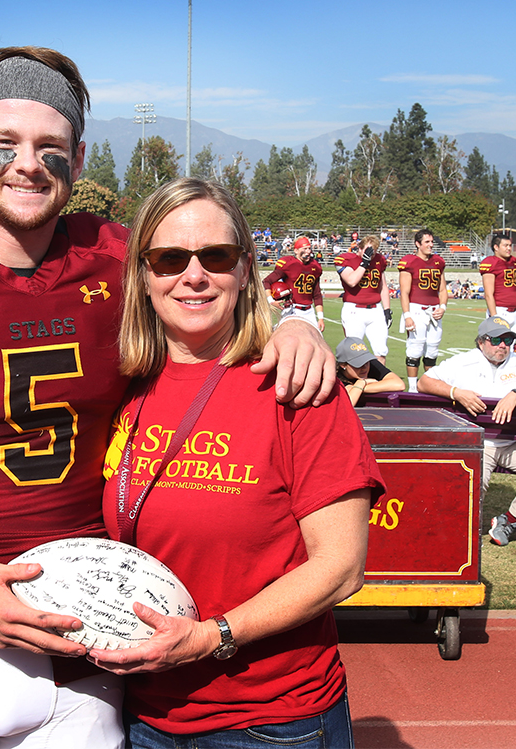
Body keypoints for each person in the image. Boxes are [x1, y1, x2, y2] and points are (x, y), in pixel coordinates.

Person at [0, 47, 333, 749]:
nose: (28, 164)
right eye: (5, 144)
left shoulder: (116, 263)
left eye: (51, 147)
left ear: (77, 158)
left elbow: (206, 294)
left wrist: (292, 327)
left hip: (85, 648)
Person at [92, 178, 384, 748]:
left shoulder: (297, 386)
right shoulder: (124, 386)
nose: (193, 275)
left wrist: (212, 637)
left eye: (216, 256)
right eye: (169, 258)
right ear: (143, 275)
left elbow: (341, 568)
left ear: (246, 269)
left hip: (272, 722)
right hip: (145, 714)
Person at [418, 316, 516, 547]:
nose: (503, 345)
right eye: (497, 340)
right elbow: (424, 382)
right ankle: (464, 528)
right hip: (478, 442)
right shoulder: (462, 362)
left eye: (508, 340)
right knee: (473, 477)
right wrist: (455, 392)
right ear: (481, 342)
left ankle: (509, 520)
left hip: (514, 441)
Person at [397, 228, 448, 392]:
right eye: (427, 242)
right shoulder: (409, 261)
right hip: (416, 309)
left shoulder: (438, 261)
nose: (430, 245)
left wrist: (443, 307)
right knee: (415, 348)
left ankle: (429, 385)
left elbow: (442, 290)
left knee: (432, 349)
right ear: (418, 244)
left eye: (432, 242)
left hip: (434, 310)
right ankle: (412, 388)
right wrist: (407, 316)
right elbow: (404, 292)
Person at [335, 236, 391, 362]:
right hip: (354, 309)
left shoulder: (379, 260)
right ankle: (355, 380)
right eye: (368, 250)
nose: (371, 254)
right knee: (354, 351)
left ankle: (379, 380)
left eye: (374, 250)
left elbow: (383, 287)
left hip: (376, 309)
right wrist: (364, 263)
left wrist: (387, 310)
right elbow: (352, 281)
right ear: (359, 249)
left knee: (381, 351)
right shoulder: (346, 259)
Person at [262, 235, 324, 331]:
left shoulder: (315, 266)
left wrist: (320, 318)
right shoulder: (289, 264)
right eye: (305, 249)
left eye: (309, 248)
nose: (308, 251)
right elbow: (266, 281)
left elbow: (317, 294)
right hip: (292, 309)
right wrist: (271, 301)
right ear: (296, 251)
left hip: (309, 311)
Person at [335, 335, 405, 405]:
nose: (364, 367)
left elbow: (399, 384)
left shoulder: (371, 364)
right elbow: (347, 406)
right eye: (358, 364)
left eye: (366, 361)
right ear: (343, 365)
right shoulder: (334, 376)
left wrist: (357, 388)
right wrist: (360, 383)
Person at [478, 233, 516, 334]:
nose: (509, 248)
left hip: (515, 311)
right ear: (496, 247)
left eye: (510, 245)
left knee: (511, 348)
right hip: (500, 310)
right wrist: (495, 316)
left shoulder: (514, 262)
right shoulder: (491, 262)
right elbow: (488, 294)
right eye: (505, 245)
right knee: (498, 347)